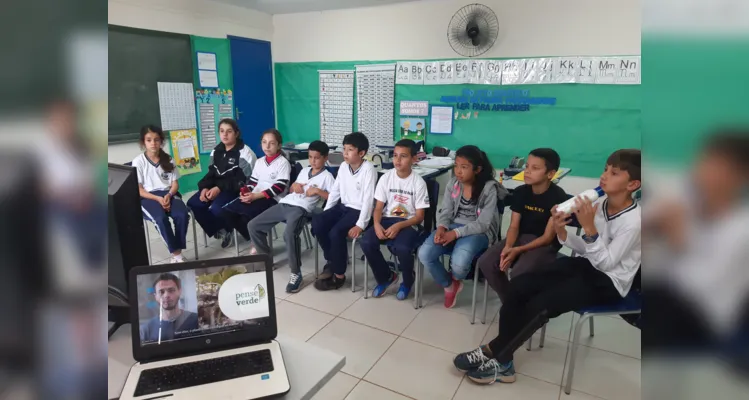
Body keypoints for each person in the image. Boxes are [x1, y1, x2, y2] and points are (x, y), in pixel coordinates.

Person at [453, 149, 641, 385]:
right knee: (519, 286)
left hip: (610, 281)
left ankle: (497, 355)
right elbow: (585, 249)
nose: (604, 175)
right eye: (605, 169)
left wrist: (589, 228)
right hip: (587, 265)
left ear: (633, 184)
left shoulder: (634, 222)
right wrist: (562, 232)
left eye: (614, 173)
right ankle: (502, 356)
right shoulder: (601, 204)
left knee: (543, 304)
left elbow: (607, 263)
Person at [418, 145, 508, 308]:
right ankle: (450, 285)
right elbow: (445, 211)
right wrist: (442, 228)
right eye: (456, 166)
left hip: (479, 231)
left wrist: (455, 234)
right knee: (425, 253)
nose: (458, 171)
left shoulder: (489, 189)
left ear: (477, 169)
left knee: (459, 266)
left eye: (464, 167)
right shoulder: (454, 184)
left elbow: (483, 224)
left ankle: (456, 278)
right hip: (452, 226)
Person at [477, 148, 569, 302]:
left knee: (519, 272)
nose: (527, 171)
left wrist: (517, 250)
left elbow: (547, 238)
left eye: (535, 168)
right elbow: (514, 226)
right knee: (486, 262)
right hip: (520, 238)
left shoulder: (558, 197)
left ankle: (518, 303)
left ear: (550, 174)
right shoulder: (520, 192)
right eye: (527, 166)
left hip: (544, 245)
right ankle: (511, 301)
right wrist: (508, 246)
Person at [248, 140, 335, 293]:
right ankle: (266, 260)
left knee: (289, 234)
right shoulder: (304, 171)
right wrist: (294, 187)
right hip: (285, 203)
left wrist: (318, 192)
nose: (313, 161)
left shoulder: (327, 176)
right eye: (310, 157)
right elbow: (292, 187)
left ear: (325, 158)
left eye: (317, 158)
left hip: (301, 208)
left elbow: (334, 198)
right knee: (253, 225)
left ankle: (296, 273)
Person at [361, 139, 430, 300]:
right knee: (366, 242)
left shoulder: (418, 183)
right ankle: (386, 277)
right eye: (395, 155)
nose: (397, 160)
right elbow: (378, 208)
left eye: (403, 156)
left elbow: (419, 217)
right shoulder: (386, 178)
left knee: (402, 248)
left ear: (414, 159)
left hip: (409, 222)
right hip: (386, 219)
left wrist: (399, 225)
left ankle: (407, 280)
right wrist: (376, 224)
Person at [312, 132, 377, 291]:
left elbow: (368, 200)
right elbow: (335, 192)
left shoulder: (369, 169)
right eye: (344, 149)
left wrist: (361, 225)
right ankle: (333, 261)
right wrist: (326, 214)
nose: (345, 153)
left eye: (350, 150)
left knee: (336, 233)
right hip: (343, 207)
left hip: (359, 210)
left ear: (361, 153)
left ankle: (339, 275)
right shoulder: (343, 166)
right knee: (318, 223)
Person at [187, 119, 257, 248]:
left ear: (236, 133)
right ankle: (221, 229)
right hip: (217, 188)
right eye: (222, 131)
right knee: (194, 203)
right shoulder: (216, 151)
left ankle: (229, 227)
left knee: (216, 209)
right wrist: (204, 188)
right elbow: (211, 173)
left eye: (229, 131)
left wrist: (219, 188)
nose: (225, 135)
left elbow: (243, 181)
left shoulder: (245, 153)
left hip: (236, 190)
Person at [222, 128, 291, 248]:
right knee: (227, 212)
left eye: (272, 143)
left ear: (279, 145)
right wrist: (245, 192)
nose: (267, 146)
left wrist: (255, 196)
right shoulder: (259, 162)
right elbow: (253, 182)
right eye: (264, 142)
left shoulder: (283, 163)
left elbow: (279, 187)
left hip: (273, 199)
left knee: (247, 215)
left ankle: (257, 243)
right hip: (256, 196)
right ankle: (252, 238)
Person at [132, 125, 190, 263]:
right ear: (143, 142)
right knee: (160, 219)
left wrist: (169, 196)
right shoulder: (138, 162)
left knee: (182, 215)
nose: (153, 143)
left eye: (156, 140)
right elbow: (139, 190)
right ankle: (176, 255)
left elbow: (175, 184)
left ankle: (178, 251)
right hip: (148, 197)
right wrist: (158, 199)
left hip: (168, 194)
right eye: (149, 140)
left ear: (161, 141)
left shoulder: (168, 159)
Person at [139, 273, 198, 343]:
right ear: (155, 296)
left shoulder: (196, 320)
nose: (166, 295)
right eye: (161, 292)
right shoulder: (146, 330)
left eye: (171, 290)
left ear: (180, 291)